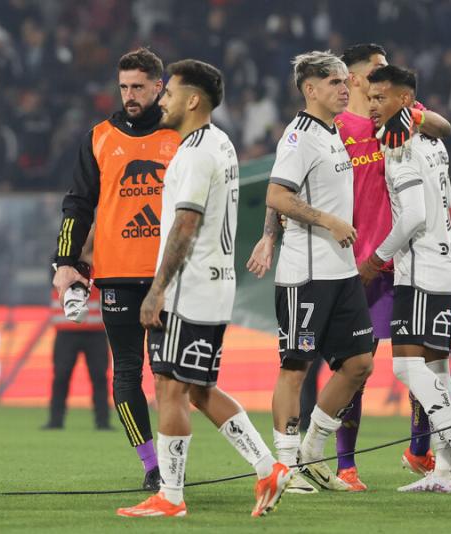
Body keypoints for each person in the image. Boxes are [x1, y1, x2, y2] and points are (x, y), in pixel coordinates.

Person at [117, 60, 292, 518]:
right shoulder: (220, 143)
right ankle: (266, 465)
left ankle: (170, 496)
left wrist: (157, 290)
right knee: (198, 388)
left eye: (170, 93)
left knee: (169, 387)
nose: (162, 100)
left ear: (193, 100)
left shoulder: (194, 153)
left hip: (188, 287)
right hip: (216, 286)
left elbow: (186, 224)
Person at [52, 48, 180, 490]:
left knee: (170, 378)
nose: (129, 95)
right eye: (124, 86)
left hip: (170, 276)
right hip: (117, 277)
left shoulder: (181, 135)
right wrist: (67, 260)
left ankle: (172, 463)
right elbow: (78, 204)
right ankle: (151, 467)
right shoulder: (99, 137)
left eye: (138, 87)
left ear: (159, 87)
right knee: (126, 372)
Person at [246, 50, 374, 493]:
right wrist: (329, 221)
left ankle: (312, 451)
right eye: (336, 82)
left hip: (341, 272)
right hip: (307, 274)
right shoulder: (298, 137)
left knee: (359, 363)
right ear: (310, 89)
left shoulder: (331, 131)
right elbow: (278, 195)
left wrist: (269, 235)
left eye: (346, 81)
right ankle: (286, 466)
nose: (345, 88)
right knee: (295, 367)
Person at [359, 64, 451, 495]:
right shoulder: (429, 139)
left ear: (404, 101)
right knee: (435, 367)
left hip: (421, 269)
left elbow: (412, 214)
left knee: (404, 366)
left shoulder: (400, 147)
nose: (373, 106)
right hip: (443, 262)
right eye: (370, 98)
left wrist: (376, 259)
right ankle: (449, 467)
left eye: (381, 98)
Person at [330, 43, 451, 490]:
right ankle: (346, 466)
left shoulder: (403, 117)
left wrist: (416, 116)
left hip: (394, 264)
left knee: (414, 362)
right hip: (351, 263)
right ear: (356, 79)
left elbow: (444, 126)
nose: (385, 76)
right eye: (377, 70)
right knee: (355, 368)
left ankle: (419, 449)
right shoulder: (337, 126)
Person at [43, 271, 110, 431]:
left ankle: (103, 422)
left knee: (99, 377)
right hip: (66, 331)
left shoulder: (98, 259)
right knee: (61, 376)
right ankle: (55, 421)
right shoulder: (61, 261)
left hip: (96, 331)